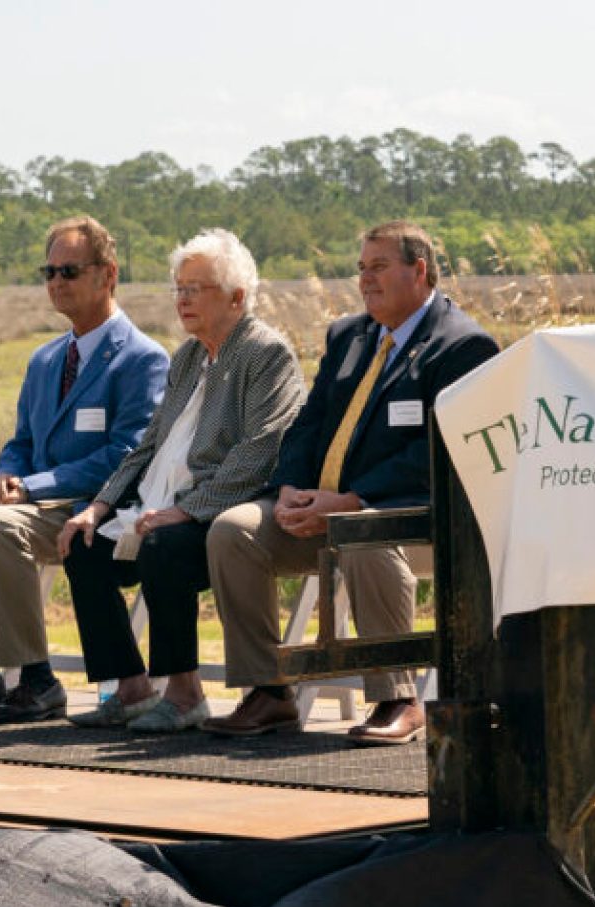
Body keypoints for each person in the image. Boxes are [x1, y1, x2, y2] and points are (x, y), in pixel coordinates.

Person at [202, 221, 499, 743]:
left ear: (420, 271)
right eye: (361, 268)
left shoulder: (463, 346)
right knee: (232, 531)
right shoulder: (348, 336)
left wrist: (351, 500)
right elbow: (309, 423)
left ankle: (398, 698)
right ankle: (268, 693)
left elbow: (437, 450)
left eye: (379, 267)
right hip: (322, 507)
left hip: (420, 516)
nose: (365, 279)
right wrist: (291, 487)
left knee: (364, 535)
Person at [0, 215, 169, 723]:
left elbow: (124, 455)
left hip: (89, 509)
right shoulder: (46, 359)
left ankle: (36, 678)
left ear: (108, 274)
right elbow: (22, 441)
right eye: (47, 271)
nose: (55, 283)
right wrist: (2, 477)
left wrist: (28, 487)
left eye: (69, 271)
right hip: (31, 502)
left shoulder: (142, 359)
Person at [57, 229, 304, 733]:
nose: (183, 299)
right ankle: (130, 689)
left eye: (197, 288)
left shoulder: (266, 353)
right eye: (179, 287)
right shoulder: (188, 357)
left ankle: (186, 695)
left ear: (237, 298)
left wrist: (189, 510)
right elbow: (147, 446)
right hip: (156, 504)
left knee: (165, 544)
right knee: (81, 542)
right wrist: (98, 507)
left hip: (215, 511)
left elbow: (262, 448)